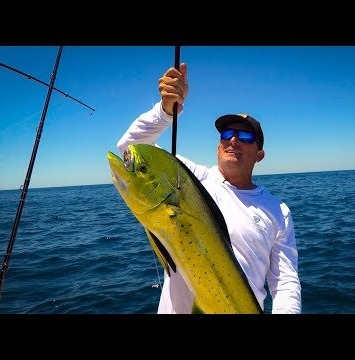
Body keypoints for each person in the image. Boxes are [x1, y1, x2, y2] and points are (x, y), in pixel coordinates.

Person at [117, 63, 302, 314]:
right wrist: (164, 111)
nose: (233, 140)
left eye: (245, 136)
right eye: (227, 134)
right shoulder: (190, 180)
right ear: (217, 147)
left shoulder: (279, 211)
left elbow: (285, 283)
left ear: (259, 155)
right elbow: (131, 149)